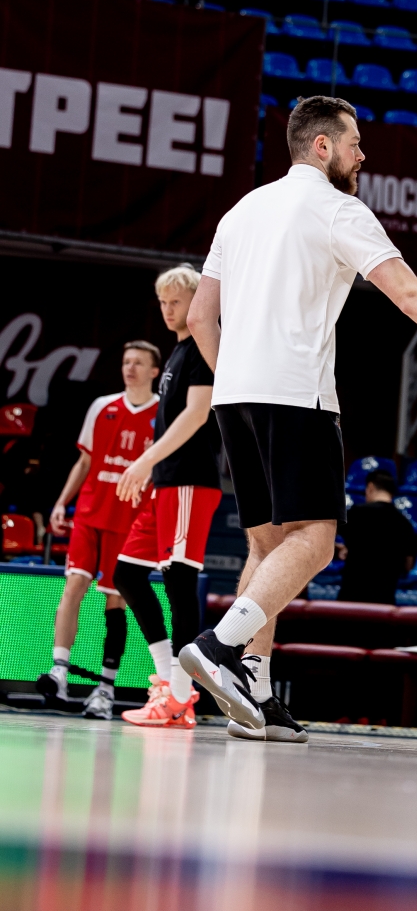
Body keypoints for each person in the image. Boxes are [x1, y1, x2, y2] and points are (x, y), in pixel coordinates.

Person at [180, 94, 417, 743]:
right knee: (314, 542)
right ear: (322, 146)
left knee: (267, 546)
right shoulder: (338, 209)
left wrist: (235, 379)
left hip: (235, 396)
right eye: (355, 143)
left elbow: (197, 317)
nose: (363, 155)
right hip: (295, 394)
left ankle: (255, 688)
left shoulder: (241, 209)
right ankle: (221, 645)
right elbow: (408, 293)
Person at [110, 264, 222, 730]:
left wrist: (143, 461)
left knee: (179, 583)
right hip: (167, 482)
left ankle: (179, 697)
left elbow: (197, 414)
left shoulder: (203, 344)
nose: (168, 308)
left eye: (176, 301)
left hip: (189, 480)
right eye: (163, 301)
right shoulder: (178, 351)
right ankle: (168, 684)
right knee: (126, 575)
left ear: (196, 302)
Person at [36, 342, 160, 719]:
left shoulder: (163, 414)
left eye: (138, 362)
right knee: (73, 585)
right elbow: (85, 461)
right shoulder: (102, 406)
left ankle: (104, 690)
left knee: (115, 602)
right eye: (125, 362)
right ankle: (59, 671)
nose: (130, 368)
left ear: (155, 371)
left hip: (128, 522)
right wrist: (62, 502)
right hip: (90, 514)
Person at [338, 470, 416, 604]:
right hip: (384, 602)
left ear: (370, 487)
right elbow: (408, 565)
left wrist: (341, 548)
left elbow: (327, 540)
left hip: (351, 598)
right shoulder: (405, 523)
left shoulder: (355, 513)